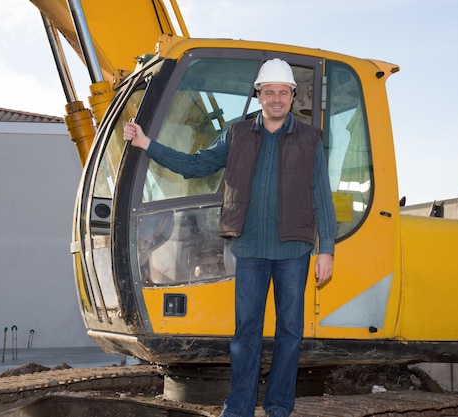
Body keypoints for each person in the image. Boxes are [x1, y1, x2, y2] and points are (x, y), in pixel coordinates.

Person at [124, 58, 336, 417]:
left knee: (290, 332)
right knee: (246, 333)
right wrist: (147, 144)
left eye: (283, 93)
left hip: (294, 251)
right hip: (250, 248)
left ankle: (279, 406)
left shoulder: (309, 138)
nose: (277, 99)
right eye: (269, 92)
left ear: (292, 96)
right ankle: (239, 408)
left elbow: (322, 196)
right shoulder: (236, 133)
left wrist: (326, 250)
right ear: (258, 96)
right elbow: (197, 165)